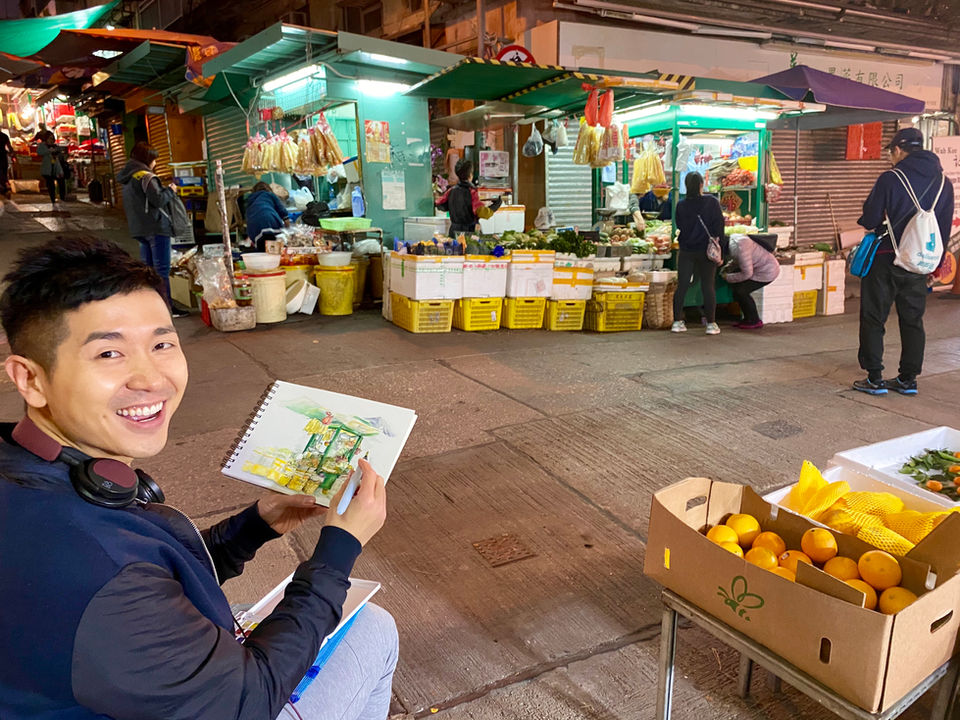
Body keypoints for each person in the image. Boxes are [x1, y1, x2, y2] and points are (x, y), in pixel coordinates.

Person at [0, 238, 398, 720]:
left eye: (162, 344)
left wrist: (257, 524)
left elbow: (154, 571)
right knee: (374, 629)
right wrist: (340, 547)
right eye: (109, 354)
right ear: (29, 379)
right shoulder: (94, 566)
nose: (151, 378)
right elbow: (246, 703)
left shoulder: (27, 470)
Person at [854, 127, 954, 396]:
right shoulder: (945, 183)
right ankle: (908, 379)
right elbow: (942, 229)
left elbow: (872, 218)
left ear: (898, 150)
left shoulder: (891, 178)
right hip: (919, 261)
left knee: (874, 316)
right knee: (913, 320)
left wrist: (868, 221)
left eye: (890, 152)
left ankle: (875, 378)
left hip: (887, 258)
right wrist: (933, 264)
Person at [117, 141, 188, 318]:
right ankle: (166, 308)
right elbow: (158, 199)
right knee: (161, 271)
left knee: (148, 271)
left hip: (140, 229)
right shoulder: (146, 176)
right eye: (154, 159)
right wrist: (171, 190)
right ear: (147, 159)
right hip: (156, 228)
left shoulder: (129, 177)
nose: (155, 163)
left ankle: (150, 308)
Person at [671, 172, 725, 335]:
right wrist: (720, 250)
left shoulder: (681, 205)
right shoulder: (712, 202)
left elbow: (679, 225)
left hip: (686, 250)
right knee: (708, 286)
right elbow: (719, 228)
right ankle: (711, 324)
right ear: (701, 184)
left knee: (682, 285)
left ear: (686, 186)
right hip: (706, 250)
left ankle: (677, 322)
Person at [722, 234, 780, 330]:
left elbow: (747, 274)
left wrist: (727, 277)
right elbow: (739, 260)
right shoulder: (737, 242)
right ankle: (748, 319)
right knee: (738, 291)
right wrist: (728, 267)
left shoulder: (740, 248)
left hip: (767, 272)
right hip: (761, 268)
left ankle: (754, 320)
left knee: (741, 292)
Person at [435, 159, 502, 235]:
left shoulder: (450, 191)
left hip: (454, 232)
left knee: (455, 247)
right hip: (469, 233)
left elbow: (439, 204)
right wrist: (496, 205)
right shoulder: (472, 192)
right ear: (470, 175)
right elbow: (483, 213)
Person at [246, 181, 290, 252]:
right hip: (269, 220)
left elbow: (248, 217)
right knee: (275, 248)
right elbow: (281, 208)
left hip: (255, 226)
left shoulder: (250, 200)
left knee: (262, 249)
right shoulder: (269, 195)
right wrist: (287, 223)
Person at [37, 132, 66, 204]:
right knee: (50, 185)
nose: (51, 140)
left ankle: (62, 198)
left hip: (57, 168)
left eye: (52, 138)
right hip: (47, 168)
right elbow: (39, 152)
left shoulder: (55, 146)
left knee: (61, 182)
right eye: (50, 138)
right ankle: (53, 199)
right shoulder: (42, 146)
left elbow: (61, 155)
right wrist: (49, 151)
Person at [0, 128, 12, 195]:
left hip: (3, 156)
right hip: (3, 156)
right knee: (4, 171)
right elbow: (9, 146)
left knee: (3, 171)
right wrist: (12, 153)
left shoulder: (4, 136)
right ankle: (4, 186)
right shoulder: (4, 136)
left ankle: (3, 186)